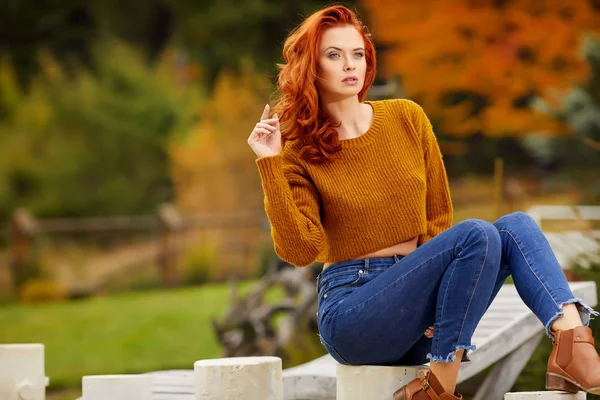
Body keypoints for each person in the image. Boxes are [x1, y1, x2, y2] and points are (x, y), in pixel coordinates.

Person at [247, 4, 600, 399]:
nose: (350, 64)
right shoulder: (298, 150)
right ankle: (440, 388)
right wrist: (270, 165)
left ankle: (572, 343)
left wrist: (435, 294)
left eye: (358, 53)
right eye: (334, 55)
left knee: (516, 226)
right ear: (312, 67)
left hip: (424, 314)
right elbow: (300, 250)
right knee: (477, 234)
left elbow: (437, 217)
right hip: (355, 312)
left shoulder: (406, 118)